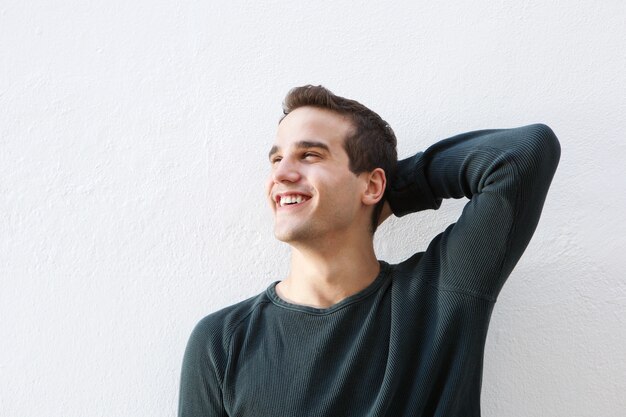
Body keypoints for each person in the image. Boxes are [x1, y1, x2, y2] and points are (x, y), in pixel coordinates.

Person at [177, 85, 561, 417]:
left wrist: (389, 192)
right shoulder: (221, 342)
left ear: (373, 184)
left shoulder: (441, 295)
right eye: (277, 158)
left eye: (309, 155)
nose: (280, 174)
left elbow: (524, 153)